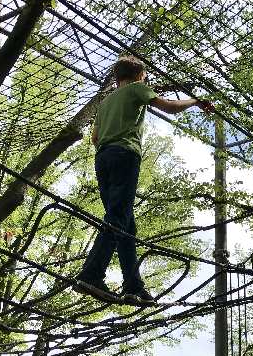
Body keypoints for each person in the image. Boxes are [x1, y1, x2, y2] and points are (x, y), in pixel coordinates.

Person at [75, 55, 214, 305]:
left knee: (126, 225)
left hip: (102, 158)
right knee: (117, 218)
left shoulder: (105, 103)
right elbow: (169, 107)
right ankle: (91, 274)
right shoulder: (138, 88)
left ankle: (133, 286)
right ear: (140, 75)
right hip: (125, 154)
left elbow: (94, 138)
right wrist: (196, 101)